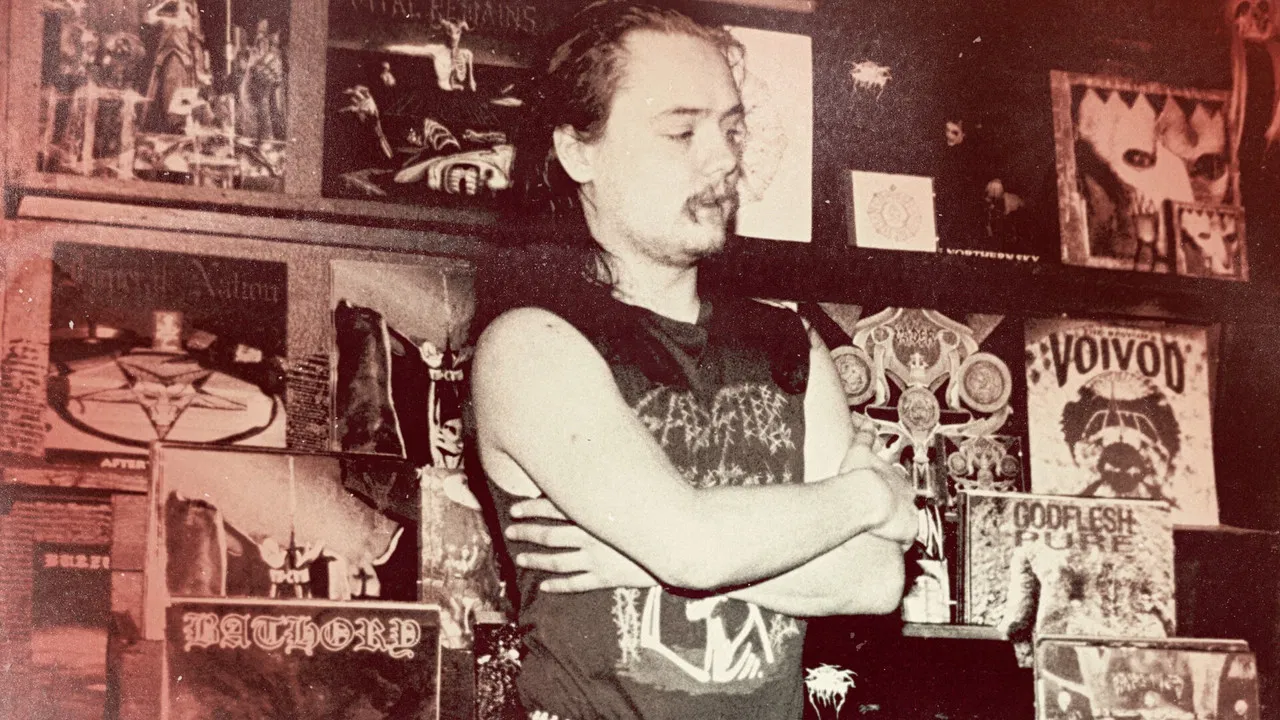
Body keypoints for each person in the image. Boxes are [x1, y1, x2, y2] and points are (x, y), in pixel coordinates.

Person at [469, 2, 918, 718]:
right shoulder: (528, 345)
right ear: (578, 152)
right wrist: (872, 497)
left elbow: (873, 577)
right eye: (682, 132)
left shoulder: (788, 342)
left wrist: (638, 562)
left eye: (731, 129)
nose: (725, 160)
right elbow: (691, 546)